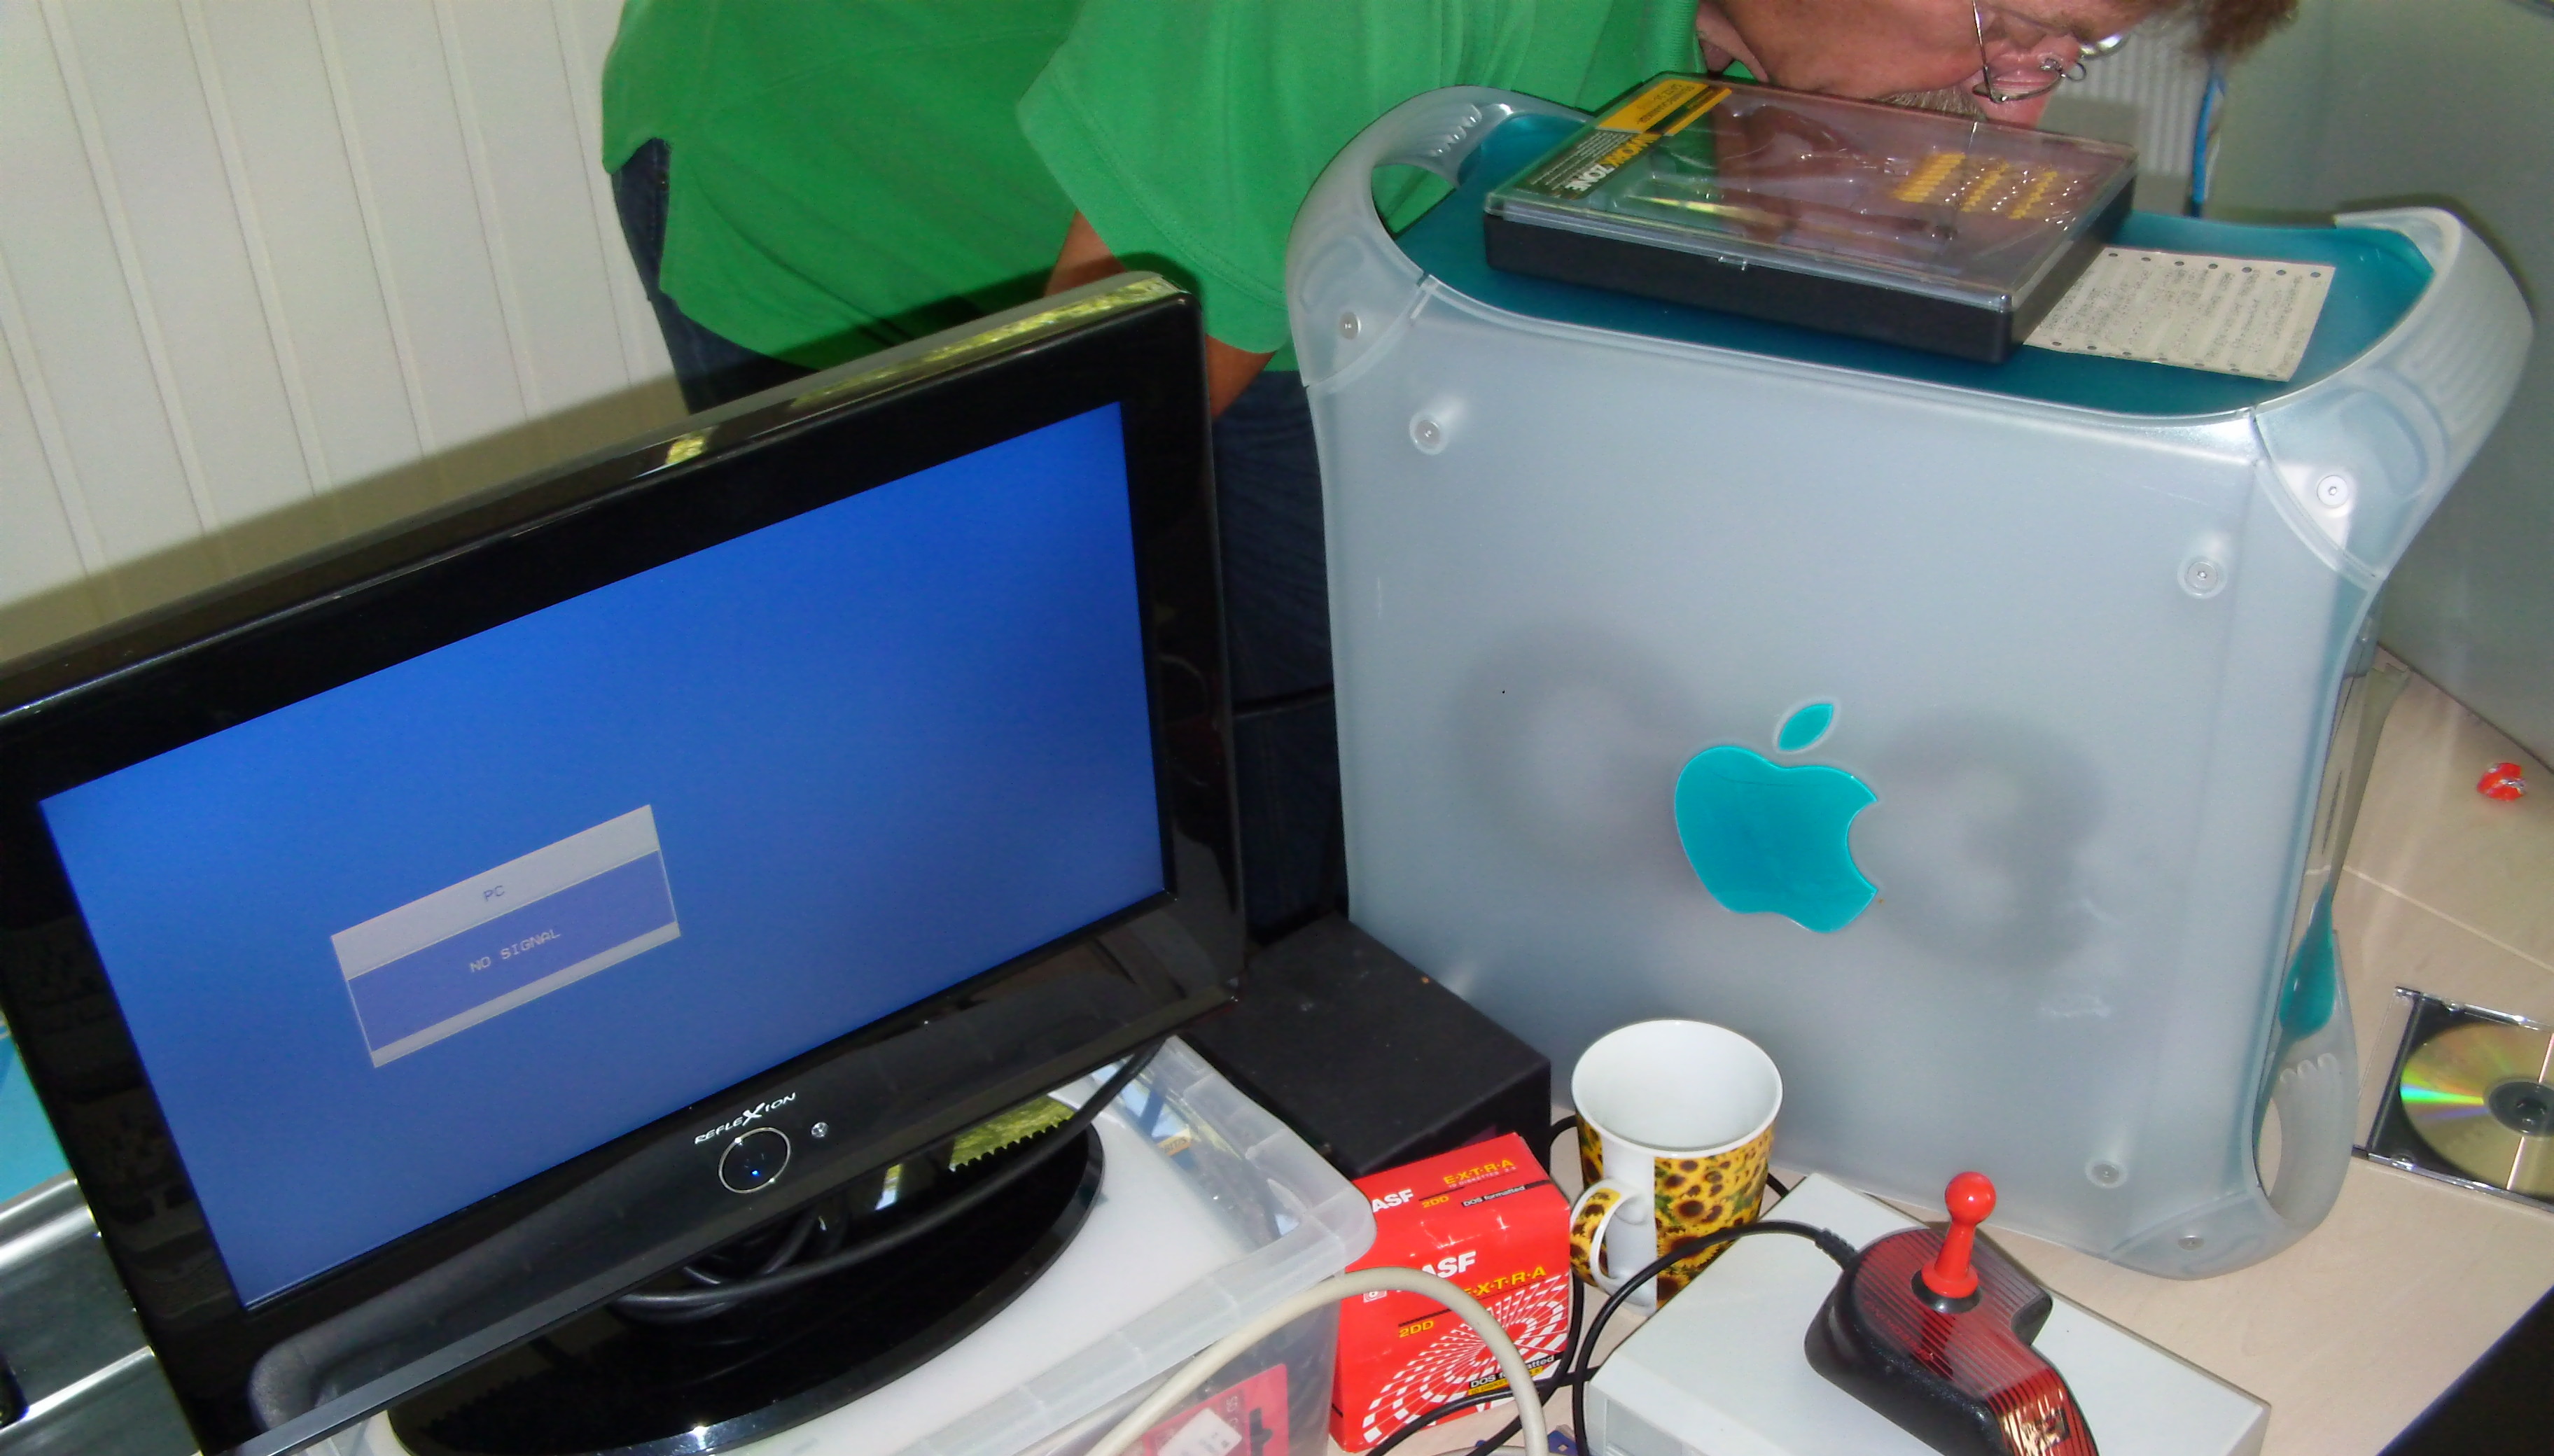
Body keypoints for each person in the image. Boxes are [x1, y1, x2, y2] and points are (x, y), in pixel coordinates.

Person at [601, 0, 2296, 939]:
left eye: (2067, 55)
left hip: (1271, 172)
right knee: (1008, 716)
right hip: (870, 187)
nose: (2013, 104)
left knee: (1359, 729)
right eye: (2013, 28)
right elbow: (1068, 456)